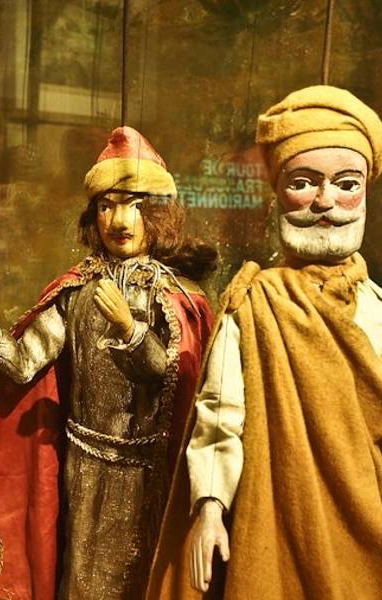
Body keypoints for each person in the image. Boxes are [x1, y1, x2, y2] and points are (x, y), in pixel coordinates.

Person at [0, 126, 216, 599]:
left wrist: (130, 332)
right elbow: (26, 361)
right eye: (107, 206)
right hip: (82, 463)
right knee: (79, 575)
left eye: (134, 205)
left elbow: (173, 376)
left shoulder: (177, 297)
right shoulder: (77, 290)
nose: (119, 220)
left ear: (156, 214)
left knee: (141, 578)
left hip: (147, 471)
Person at [147, 85, 382, 600]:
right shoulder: (253, 303)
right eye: (303, 183)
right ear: (277, 195)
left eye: (346, 184)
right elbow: (220, 415)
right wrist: (210, 508)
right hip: (279, 521)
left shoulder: (377, 310)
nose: (325, 202)